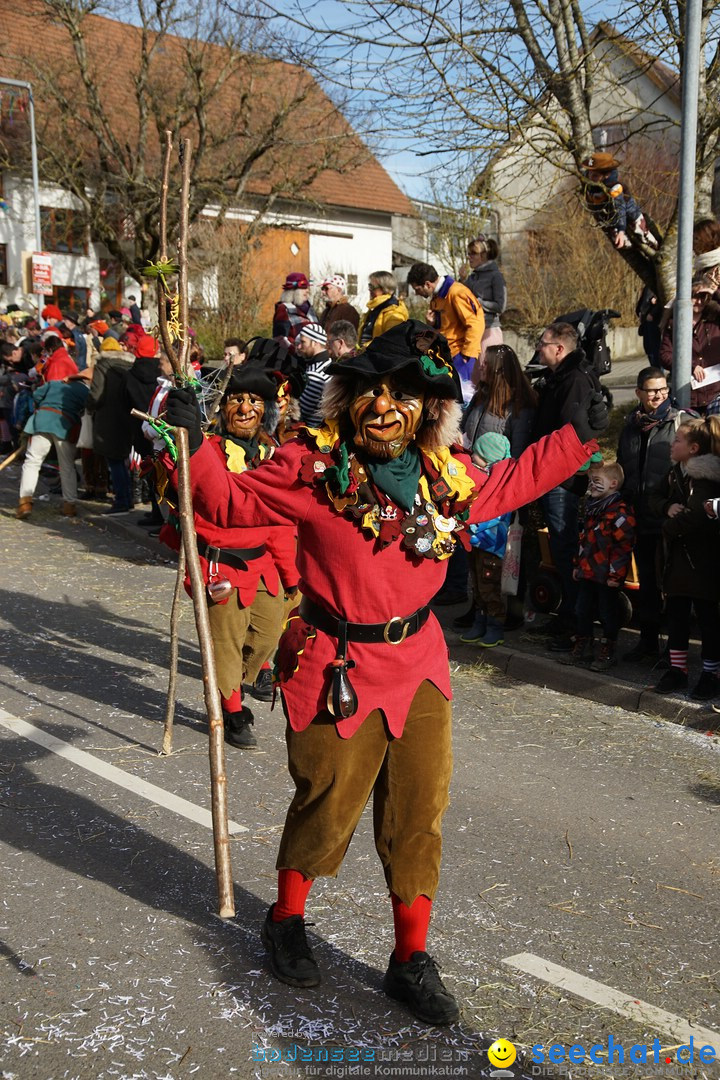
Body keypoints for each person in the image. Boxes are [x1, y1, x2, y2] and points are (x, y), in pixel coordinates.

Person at [164, 319, 599, 1026]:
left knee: (418, 816)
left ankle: (409, 959)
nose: (386, 406)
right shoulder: (310, 469)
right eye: (373, 390)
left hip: (420, 665)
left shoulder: (444, 476)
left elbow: (512, 483)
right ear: (349, 396)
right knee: (326, 804)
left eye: (406, 393)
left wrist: (574, 436)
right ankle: (286, 920)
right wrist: (193, 443)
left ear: (430, 408)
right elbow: (228, 503)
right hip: (337, 663)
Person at [159, 364, 299, 744]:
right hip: (219, 564)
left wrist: (292, 575)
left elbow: (283, 522)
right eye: (237, 399)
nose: (245, 408)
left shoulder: (274, 454)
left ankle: (238, 684)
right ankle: (232, 711)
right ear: (222, 406)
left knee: (270, 633)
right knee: (225, 644)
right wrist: (180, 441)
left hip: (265, 561)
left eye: (255, 400)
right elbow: (190, 486)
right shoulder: (207, 448)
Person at [530, 321, 609, 650]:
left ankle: (578, 627)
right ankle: (569, 619)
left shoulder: (574, 379)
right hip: (553, 475)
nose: (539, 348)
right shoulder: (561, 377)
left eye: (543, 343)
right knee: (560, 550)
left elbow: (566, 433)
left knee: (564, 548)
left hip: (560, 477)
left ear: (559, 348)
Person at [455, 344, 537, 625]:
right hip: (472, 484)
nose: (480, 368)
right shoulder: (480, 397)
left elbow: (519, 452)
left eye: (485, 364)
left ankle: (508, 611)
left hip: (500, 489)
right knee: (475, 551)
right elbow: (465, 428)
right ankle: (477, 607)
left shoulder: (518, 406)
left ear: (498, 369)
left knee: (504, 553)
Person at [616, 367, 686, 661]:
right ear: (639, 393)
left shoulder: (679, 422)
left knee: (673, 587)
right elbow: (623, 468)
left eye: (662, 390)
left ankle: (676, 650)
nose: (657, 395)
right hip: (639, 517)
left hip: (669, 518)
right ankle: (647, 643)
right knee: (646, 584)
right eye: (651, 390)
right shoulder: (630, 426)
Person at [649, 418, 720, 700]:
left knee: (707, 619)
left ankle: (711, 673)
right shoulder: (675, 472)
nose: (671, 444)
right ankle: (677, 670)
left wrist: (668, 528)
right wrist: (666, 507)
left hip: (702, 561)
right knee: (676, 615)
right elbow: (653, 497)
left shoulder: (705, 477)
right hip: (678, 561)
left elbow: (697, 516)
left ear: (693, 448)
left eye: (677, 440)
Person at [559, 461, 636, 671]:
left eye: (597, 481)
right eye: (591, 481)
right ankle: (583, 645)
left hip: (606, 576)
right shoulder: (593, 509)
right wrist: (577, 564)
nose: (591, 486)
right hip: (588, 571)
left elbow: (623, 548)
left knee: (607, 613)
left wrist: (616, 574)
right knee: (581, 609)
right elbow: (583, 540)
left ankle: (608, 650)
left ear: (612, 484)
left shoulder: (619, 514)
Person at [460, 432, 512, 647]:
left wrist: (472, 522)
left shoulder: (499, 485)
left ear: (490, 460)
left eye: (478, 455)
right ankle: (479, 622)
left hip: (491, 545)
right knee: (477, 584)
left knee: (490, 585)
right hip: (475, 542)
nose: (473, 457)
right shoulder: (482, 477)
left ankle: (495, 626)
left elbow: (495, 515)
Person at [15, 369, 90, 518]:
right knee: (67, 466)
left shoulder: (54, 384)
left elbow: (36, 395)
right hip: (65, 425)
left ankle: (25, 503)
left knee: (32, 462)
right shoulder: (84, 390)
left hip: (42, 421)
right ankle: (69, 505)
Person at [407, 262, 484, 404]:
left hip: (460, 357)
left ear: (428, 284)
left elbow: (475, 323)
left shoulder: (456, 292)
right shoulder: (438, 297)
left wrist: (467, 355)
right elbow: (448, 325)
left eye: (417, 289)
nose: (416, 293)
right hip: (447, 356)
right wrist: (432, 324)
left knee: (463, 400)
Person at [85, 336, 135, 514]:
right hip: (126, 417)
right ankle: (127, 498)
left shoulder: (103, 365)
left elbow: (96, 393)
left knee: (114, 461)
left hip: (107, 418)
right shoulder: (128, 366)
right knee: (122, 460)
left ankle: (121, 500)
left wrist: (89, 407)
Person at [659, 275, 720, 414]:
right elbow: (664, 355)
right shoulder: (674, 325)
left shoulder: (714, 321)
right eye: (694, 296)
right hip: (690, 395)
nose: (698, 301)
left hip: (716, 394)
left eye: (703, 297)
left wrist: (715, 292)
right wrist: (689, 366)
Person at [581, 151, 658, 251]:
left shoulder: (615, 187)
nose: (591, 177)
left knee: (642, 234)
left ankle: (655, 247)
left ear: (606, 175)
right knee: (623, 244)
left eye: (595, 175)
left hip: (629, 213)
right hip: (609, 217)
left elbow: (620, 209)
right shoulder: (588, 179)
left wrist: (621, 230)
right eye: (589, 173)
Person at [462, 236, 506, 380]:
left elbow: (501, 306)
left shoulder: (496, 276)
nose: (469, 257)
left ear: (483, 255)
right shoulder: (472, 277)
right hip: (472, 332)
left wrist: (479, 302)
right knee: (474, 380)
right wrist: (461, 280)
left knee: (489, 376)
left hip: (489, 332)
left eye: (473, 253)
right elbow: (461, 299)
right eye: (468, 253)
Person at [356, 271, 408, 348]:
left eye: (372, 287)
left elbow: (391, 340)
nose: (369, 290)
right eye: (369, 286)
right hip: (367, 357)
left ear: (385, 288)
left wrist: (364, 348)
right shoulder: (375, 309)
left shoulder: (394, 310)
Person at [295, 323, 331, 426]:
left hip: (311, 434)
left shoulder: (316, 374)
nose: (299, 346)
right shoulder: (328, 363)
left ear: (314, 343)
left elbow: (299, 413)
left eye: (303, 342)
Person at [272, 273, 318, 351]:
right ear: (292, 291)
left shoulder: (310, 310)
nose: (307, 291)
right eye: (303, 288)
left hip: (313, 357)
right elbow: (280, 339)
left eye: (307, 287)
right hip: (294, 359)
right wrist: (295, 352)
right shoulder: (283, 310)